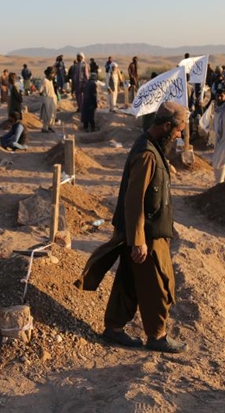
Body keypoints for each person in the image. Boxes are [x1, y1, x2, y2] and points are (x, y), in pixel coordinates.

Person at [75, 101, 188, 353]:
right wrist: (138, 240)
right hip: (146, 234)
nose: (180, 134)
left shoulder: (152, 147)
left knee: (128, 280)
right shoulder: (147, 155)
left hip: (141, 231)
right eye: (179, 129)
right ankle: (157, 336)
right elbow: (133, 200)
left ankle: (113, 328)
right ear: (167, 125)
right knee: (157, 284)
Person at [39, 66, 58, 133]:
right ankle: (45, 128)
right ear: (50, 73)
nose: (54, 75)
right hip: (47, 99)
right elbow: (40, 91)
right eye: (53, 74)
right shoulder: (44, 80)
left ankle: (50, 127)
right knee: (46, 114)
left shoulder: (50, 81)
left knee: (52, 114)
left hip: (52, 99)